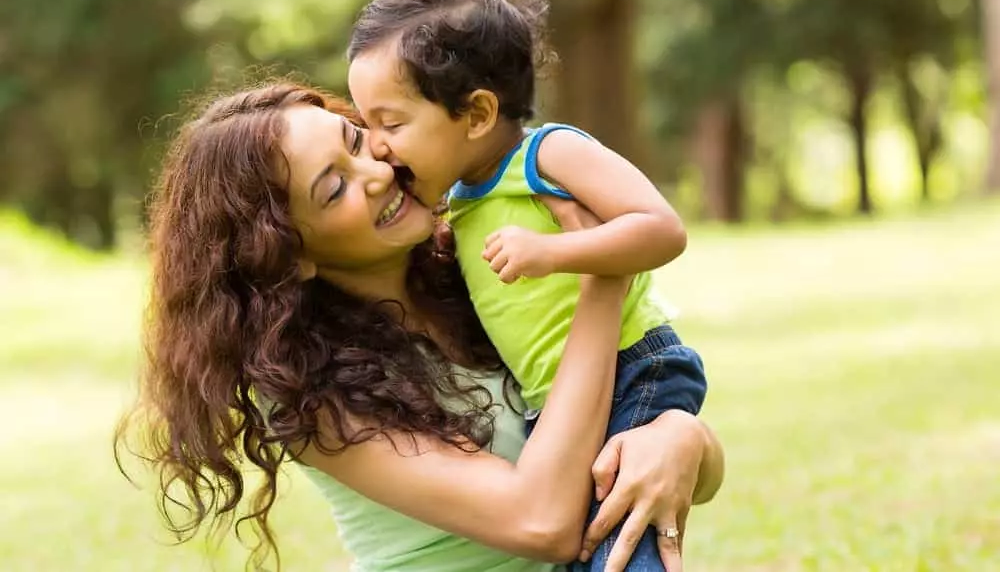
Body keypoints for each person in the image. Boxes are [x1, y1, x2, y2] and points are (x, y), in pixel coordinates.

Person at [115, 82, 724, 572]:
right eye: (335, 188)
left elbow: (643, 434)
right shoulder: (312, 395)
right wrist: (601, 271)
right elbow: (541, 522)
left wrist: (680, 437)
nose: (375, 172)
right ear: (287, 254)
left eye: (356, 140)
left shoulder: (481, 266)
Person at [347, 0, 708, 571]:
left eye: (392, 123)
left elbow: (661, 228)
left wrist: (557, 253)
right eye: (366, 125)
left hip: (632, 367)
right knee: (590, 543)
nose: (378, 146)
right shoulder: (459, 200)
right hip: (559, 399)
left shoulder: (548, 155)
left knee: (621, 542)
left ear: (478, 113)